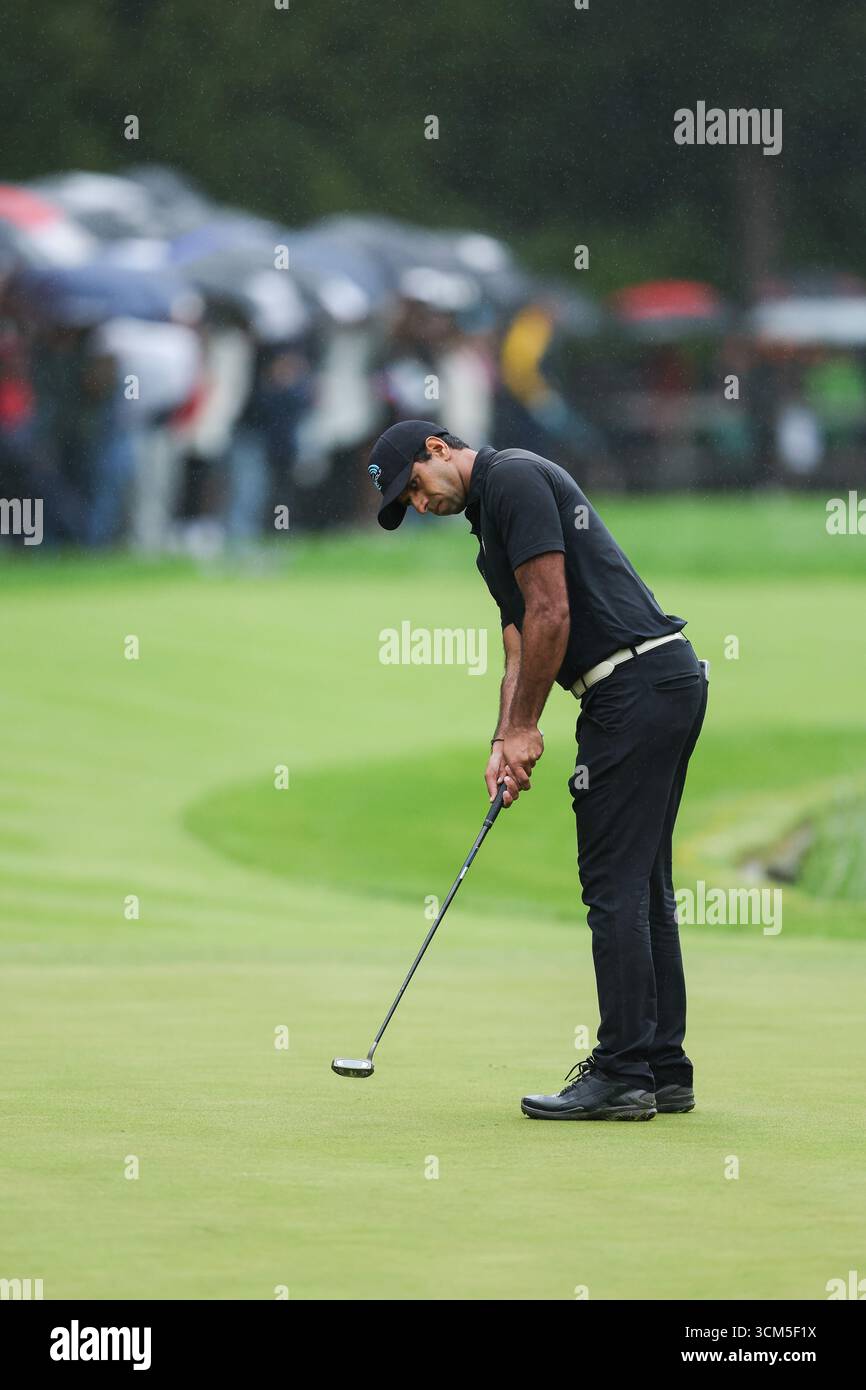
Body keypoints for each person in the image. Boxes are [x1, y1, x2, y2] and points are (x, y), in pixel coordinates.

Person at [364, 420, 708, 1121]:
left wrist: (528, 727)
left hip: (635, 687)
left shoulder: (514, 477)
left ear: (437, 449)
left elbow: (554, 608)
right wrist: (504, 738)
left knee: (614, 885)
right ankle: (661, 1068)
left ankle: (622, 1072)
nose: (422, 505)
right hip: (652, 685)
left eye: (416, 488)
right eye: (408, 505)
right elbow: (521, 646)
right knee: (640, 882)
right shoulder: (489, 532)